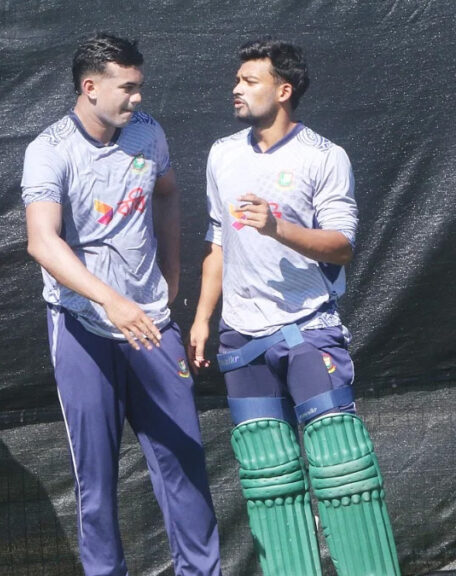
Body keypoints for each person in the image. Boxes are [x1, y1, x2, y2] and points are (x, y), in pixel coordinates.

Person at [188, 39, 399, 576]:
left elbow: (342, 245)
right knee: (268, 476)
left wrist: (277, 227)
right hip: (241, 338)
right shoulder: (222, 154)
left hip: (309, 329)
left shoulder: (323, 156)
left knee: (342, 466)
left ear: (283, 91)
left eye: (249, 81)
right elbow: (218, 242)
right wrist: (203, 318)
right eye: (237, 79)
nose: (236, 89)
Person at [21, 33, 222, 576]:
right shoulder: (49, 149)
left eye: (139, 86)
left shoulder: (148, 132)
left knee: (184, 461)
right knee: (96, 480)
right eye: (126, 88)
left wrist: (172, 272)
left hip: (152, 324)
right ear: (90, 87)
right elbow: (42, 241)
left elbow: (167, 192)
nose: (137, 98)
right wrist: (110, 301)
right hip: (82, 327)